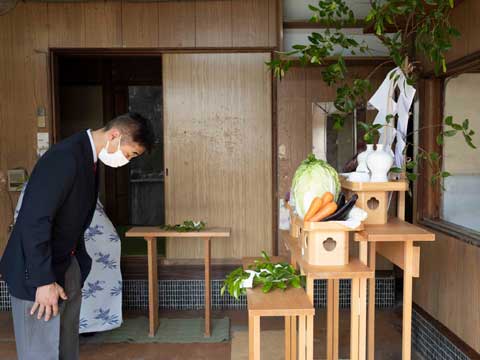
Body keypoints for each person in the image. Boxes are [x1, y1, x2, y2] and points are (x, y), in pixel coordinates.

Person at [0, 112, 154, 360]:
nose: (127, 160)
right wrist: (43, 281)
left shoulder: (88, 159)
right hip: (38, 272)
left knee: (66, 348)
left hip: (66, 265)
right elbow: (34, 221)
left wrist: (77, 267)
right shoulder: (64, 158)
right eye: (130, 154)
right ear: (114, 135)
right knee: (41, 352)